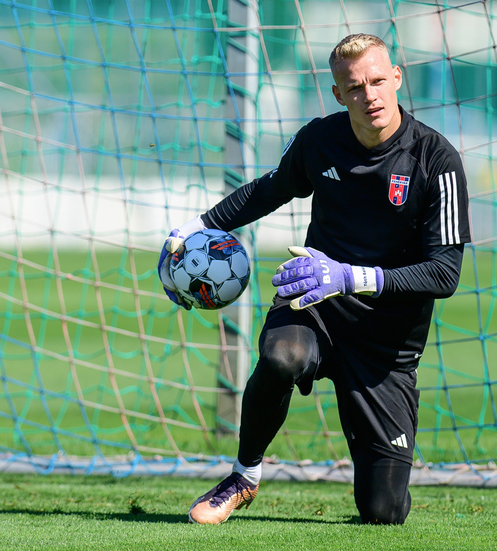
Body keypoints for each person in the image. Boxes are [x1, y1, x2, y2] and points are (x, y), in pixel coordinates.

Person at [158, 33, 471, 525]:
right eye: (355, 87)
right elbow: (269, 190)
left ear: (396, 78)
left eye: (377, 81)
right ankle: (243, 476)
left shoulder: (436, 159)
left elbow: (444, 273)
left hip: (386, 342)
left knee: (383, 512)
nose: (369, 95)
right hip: (313, 301)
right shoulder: (321, 140)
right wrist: (199, 226)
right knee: (281, 357)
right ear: (338, 94)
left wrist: (349, 276)